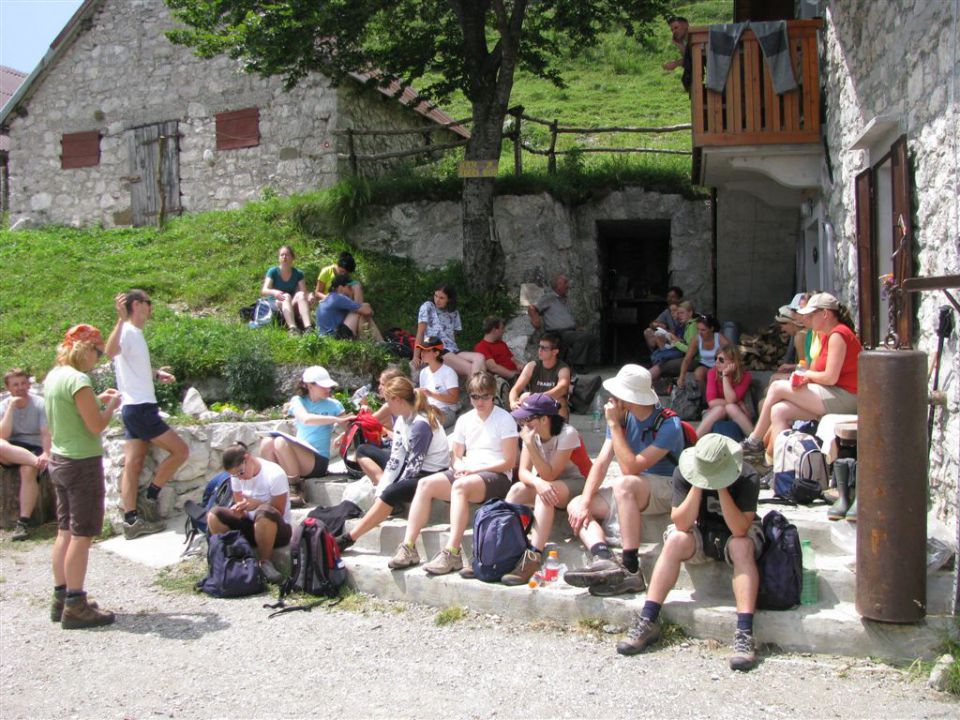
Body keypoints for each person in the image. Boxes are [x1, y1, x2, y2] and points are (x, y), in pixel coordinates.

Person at [615, 434, 763, 672]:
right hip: (702, 532)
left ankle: (745, 632)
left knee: (741, 545)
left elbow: (740, 528)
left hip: (735, 536)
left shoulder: (747, 476)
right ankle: (648, 618)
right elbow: (682, 522)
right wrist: (698, 482)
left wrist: (721, 486)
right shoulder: (684, 472)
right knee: (675, 539)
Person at [563, 364, 683, 596]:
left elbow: (630, 468)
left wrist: (614, 425)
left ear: (630, 398)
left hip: (665, 486)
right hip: (632, 490)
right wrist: (586, 502)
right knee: (576, 505)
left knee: (624, 483)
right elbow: (602, 462)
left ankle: (630, 567)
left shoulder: (669, 424)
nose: (611, 398)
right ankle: (604, 558)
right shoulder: (623, 417)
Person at [388, 371, 518, 574]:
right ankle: (409, 547)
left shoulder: (505, 419)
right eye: (475, 396)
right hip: (468, 472)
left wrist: (474, 469)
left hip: (497, 475)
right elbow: (456, 456)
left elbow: (509, 461)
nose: (480, 401)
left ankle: (452, 552)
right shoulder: (465, 420)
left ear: (493, 395)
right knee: (425, 484)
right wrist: (459, 467)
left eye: (485, 396)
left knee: (460, 487)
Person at [44, 324, 122, 629]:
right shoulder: (78, 380)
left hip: (59, 460)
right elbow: (96, 426)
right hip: (81, 464)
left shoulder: (55, 376)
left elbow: (72, 413)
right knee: (82, 534)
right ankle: (76, 605)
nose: (98, 358)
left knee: (64, 531)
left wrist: (97, 398)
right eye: (97, 351)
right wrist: (112, 405)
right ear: (84, 349)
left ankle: (61, 597)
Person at [105, 290, 189, 541]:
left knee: (134, 463)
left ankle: (131, 519)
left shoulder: (136, 335)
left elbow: (130, 364)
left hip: (133, 407)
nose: (151, 307)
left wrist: (155, 374)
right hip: (140, 407)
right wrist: (120, 319)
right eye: (148, 302)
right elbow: (110, 351)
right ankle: (150, 497)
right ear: (137, 305)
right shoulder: (127, 330)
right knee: (181, 451)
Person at [743, 293, 862, 459]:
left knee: (777, 387)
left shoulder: (838, 335)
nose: (807, 319)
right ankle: (782, 470)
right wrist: (805, 376)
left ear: (825, 314)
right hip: (834, 393)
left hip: (847, 397)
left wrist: (807, 376)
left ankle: (755, 441)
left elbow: (830, 378)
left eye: (811, 315)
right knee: (779, 411)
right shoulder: (827, 336)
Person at [337, 377, 450, 551]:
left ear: (398, 400)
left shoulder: (421, 424)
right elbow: (395, 459)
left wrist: (389, 491)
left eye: (388, 401)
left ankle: (348, 539)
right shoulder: (402, 419)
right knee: (363, 451)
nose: (387, 406)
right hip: (411, 467)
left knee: (391, 492)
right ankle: (385, 502)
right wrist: (383, 486)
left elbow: (414, 468)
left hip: (429, 474)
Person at [500, 394, 586, 585]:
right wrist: (537, 482)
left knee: (545, 493)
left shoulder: (567, 433)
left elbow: (549, 475)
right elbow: (523, 473)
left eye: (528, 419)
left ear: (545, 419)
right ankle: (501, 543)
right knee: (517, 490)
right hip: (550, 484)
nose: (523, 423)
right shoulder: (531, 434)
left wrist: (530, 446)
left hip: (578, 483)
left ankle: (533, 557)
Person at [259, 366, 353, 507]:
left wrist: (342, 434)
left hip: (317, 461)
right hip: (301, 456)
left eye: (329, 387)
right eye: (324, 386)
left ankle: (296, 488)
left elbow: (350, 429)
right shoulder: (298, 401)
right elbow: (305, 419)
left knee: (280, 442)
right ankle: (273, 486)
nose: (328, 390)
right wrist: (335, 419)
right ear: (309, 385)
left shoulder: (335, 405)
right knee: (267, 442)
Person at [208, 442, 293, 584]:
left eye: (240, 472)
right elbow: (240, 503)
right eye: (235, 475)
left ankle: (265, 563)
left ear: (247, 458)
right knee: (214, 514)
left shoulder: (274, 474)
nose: (239, 478)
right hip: (252, 526)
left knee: (264, 513)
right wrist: (239, 511)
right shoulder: (236, 477)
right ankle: (228, 557)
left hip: (276, 529)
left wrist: (258, 504)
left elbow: (278, 510)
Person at [0, 368, 51, 540]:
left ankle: (23, 522)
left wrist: (46, 453)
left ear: (29, 385)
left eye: (23, 383)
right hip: (10, 448)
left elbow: (46, 432)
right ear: (8, 388)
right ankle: (35, 462)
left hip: (34, 445)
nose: (21, 388)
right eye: (16, 385)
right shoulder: (4, 405)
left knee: (28, 470)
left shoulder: (39, 403)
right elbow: (3, 436)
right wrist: (11, 407)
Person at [413, 284, 486, 379]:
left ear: (449, 299)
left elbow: (453, 336)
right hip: (437, 349)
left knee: (480, 358)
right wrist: (416, 356)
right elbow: (420, 332)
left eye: (442, 298)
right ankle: (477, 392)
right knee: (469, 368)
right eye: (436, 296)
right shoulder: (428, 307)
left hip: (452, 349)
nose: (437, 300)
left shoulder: (454, 312)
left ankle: (478, 389)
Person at [527, 274, 595, 371]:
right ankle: (577, 366)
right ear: (557, 285)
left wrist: (576, 327)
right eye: (565, 283)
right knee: (583, 337)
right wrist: (535, 319)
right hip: (558, 332)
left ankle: (583, 364)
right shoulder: (548, 298)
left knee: (592, 337)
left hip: (570, 331)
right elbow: (532, 307)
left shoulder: (565, 300)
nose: (568, 286)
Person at [509, 332, 572, 419]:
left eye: (544, 348)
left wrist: (535, 398)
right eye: (539, 346)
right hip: (534, 408)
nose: (540, 350)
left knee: (560, 401)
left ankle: (560, 430)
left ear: (555, 352)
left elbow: (562, 388)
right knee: (522, 398)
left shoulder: (563, 369)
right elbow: (515, 389)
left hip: (551, 408)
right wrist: (512, 402)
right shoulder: (532, 366)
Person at [697, 345, 754, 438]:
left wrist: (725, 376)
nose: (717, 362)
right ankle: (693, 439)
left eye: (721, 360)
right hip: (714, 412)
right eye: (716, 359)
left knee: (731, 408)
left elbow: (731, 400)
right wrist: (738, 403)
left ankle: (755, 440)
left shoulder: (746, 376)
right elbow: (711, 402)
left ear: (733, 362)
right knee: (721, 409)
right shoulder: (712, 372)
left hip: (738, 413)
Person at [261, 245, 312, 333]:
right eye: (282, 255)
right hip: (276, 303)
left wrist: (309, 297)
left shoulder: (298, 274)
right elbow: (264, 290)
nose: (284, 257)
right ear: (279, 258)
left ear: (292, 258)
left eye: (287, 255)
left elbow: (304, 293)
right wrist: (274, 292)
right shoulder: (273, 271)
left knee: (300, 295)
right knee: (286, 296)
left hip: (290, 303)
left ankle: (308, 327)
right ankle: (293, 328)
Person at [415, 336, 461, 429]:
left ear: (436, 353)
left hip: (446, 412)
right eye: (422, 350)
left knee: (423, 425)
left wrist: (431, 394)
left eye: (426, 350)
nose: (422, 353)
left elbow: (454, 399)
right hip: (429, 411)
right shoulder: (423, 372)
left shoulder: (448, 372)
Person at [649, 301, 697, 383]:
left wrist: (675, 342)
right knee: (660, 358)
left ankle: (641, 382)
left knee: (662, 364)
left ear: (690, 313)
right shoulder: (687, 324)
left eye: (682, 313)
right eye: (678, 313)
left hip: (693, 358)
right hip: (686, 355)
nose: (679, 316)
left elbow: (690, 349)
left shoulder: (693, 326)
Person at [677, 313, 726, 393]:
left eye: (703, 330)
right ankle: (705, 398)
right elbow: (687, 359)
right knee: (698, 373)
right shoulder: (696, 339)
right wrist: (681, 377)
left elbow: (732, 352)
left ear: (711, 328)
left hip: (719, 366)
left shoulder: (719, 337)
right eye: (698, 329)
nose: (700, 332)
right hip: (705, 365)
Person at [315, 274, 374, 339]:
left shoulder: (331, 297)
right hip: (334, 337)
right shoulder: (339, 298)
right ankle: (378, 342)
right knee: (359, 312)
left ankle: (378, 343)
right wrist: (357, 289)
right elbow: (367, 311)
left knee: (361, 310)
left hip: (326, 337)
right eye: (349, 287)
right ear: (340, 288)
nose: (352, 290)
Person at [474, 316, 520, 382]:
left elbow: (512, 359)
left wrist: (521, 366)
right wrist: (513, 375)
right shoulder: (481, 347)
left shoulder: (501, 343)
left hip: (516, 375)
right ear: (494, 330)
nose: (504, 331)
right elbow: (493, 367)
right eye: (502, 328)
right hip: (504, 380)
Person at [643, 286, 684, 351]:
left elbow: (681, 331)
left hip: (680, 339)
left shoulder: (684, 311)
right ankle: (655, 355)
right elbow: (653, 323)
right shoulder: (667, 311)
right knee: (648, 331)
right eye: (668, 296)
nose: (669, 299)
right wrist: (656, 324)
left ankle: (661, 356)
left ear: (679, 299)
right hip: (670, 337)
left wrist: (667, 330)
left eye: (673, 297)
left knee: (659, 335)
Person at [663, 15, 692, 94]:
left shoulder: (694, 37)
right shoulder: (685, 41)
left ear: (685, 25)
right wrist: (678, 44)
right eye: (672, 30)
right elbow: (688, 58)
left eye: (676, 28)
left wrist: (675, 64)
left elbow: (692, 59)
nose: (674, 32)